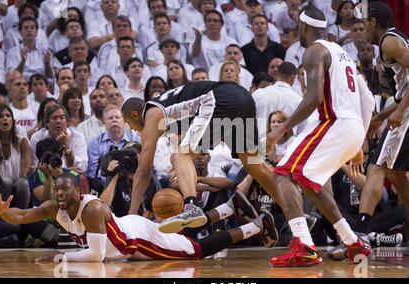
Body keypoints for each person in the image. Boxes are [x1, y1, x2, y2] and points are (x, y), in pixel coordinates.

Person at [264, 6, 372, 266]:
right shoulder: (342, 53)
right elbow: (366, 98)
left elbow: (313, 98)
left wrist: (283, 127)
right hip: (352, 126)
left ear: (303, 26)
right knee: (309, 183)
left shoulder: (314, 51)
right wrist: (359, 140)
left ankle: (303, 245)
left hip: (335, 123)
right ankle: (352, 242)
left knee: (282, 174)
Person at [329, 1, 409, 258]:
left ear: (374, 22)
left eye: (365, 23)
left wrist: (400, 111)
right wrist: (380, 116)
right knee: (396, 173)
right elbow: (404, 92)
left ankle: (361, 235)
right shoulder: (395, 40)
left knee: (376, 167)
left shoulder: (389, 41)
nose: (363, 28)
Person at [0, 174, 277, 262]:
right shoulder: (55, 205)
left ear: (80, 191)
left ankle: (256, 226)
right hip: (131, 227)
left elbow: (95, 255)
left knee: (195, 251)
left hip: (137, 240)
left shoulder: (91, 210)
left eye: (67, 189)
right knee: (178, 233)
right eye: (59, 189)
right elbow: (25, 214)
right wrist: (5, 212)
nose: (61, 194)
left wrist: (58, 257)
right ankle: (230, 208)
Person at [121, 81, 287, 220]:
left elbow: (143, 171)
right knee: (254, 165)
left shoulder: (151, 114)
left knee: (181, 155)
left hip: (219, 98)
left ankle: (191, 207)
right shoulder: (168, 108)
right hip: (243, 98)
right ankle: (294, 213)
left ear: (135, 115)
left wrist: (131, 214)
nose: (132, 129)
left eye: (128, 123)